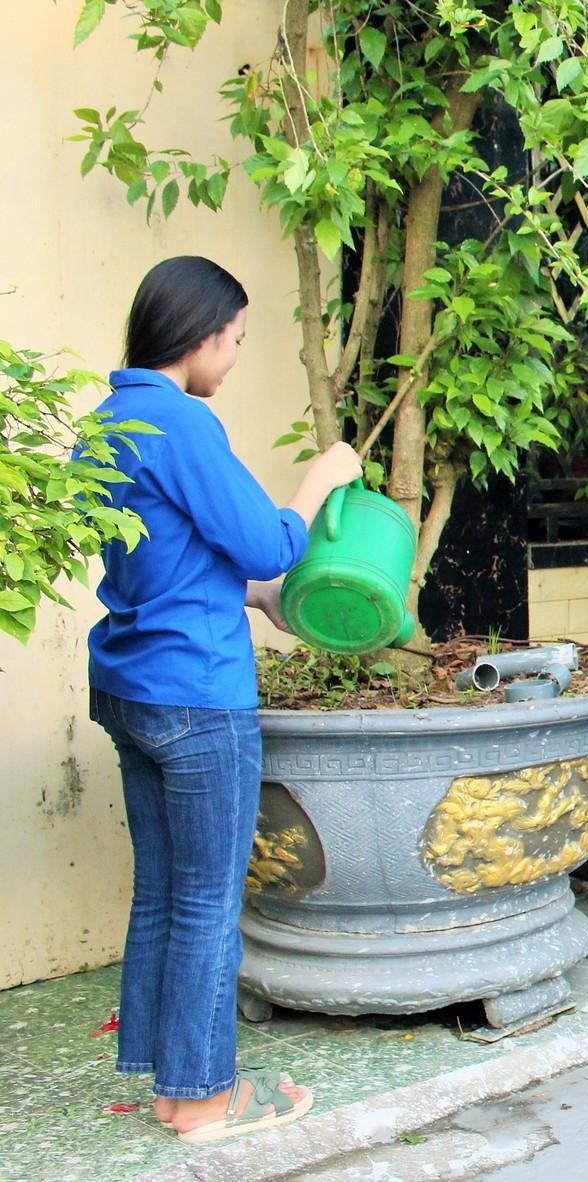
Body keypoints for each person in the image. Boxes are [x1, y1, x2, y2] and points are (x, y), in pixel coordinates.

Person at [85, 257, 363, 1143]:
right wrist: (321, 478)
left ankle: (174, 1085)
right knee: (208, 899)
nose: (236, 356)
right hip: (197, 693)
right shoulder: (181, 422)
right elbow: (265, 541)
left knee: (164, 891)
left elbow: (158, 559)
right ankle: (204, 1100)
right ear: (202, 335)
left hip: (129, 685)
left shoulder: (108, 420)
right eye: (237, 339)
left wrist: (245, 597)